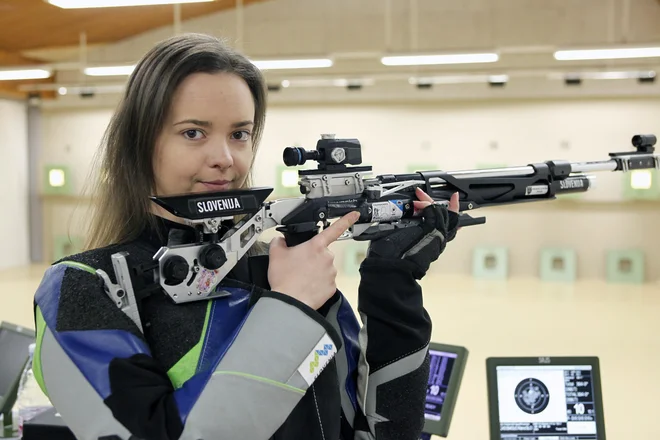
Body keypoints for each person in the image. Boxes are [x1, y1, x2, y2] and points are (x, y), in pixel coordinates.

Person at [31, 33, 460, 440]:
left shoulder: (270, 266)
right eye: (193, 133)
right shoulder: (85, 289)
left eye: (239, 134)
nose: (224, 158)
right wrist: (290, 308)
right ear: (140, 144)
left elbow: (383, 429)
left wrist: (392, 286)